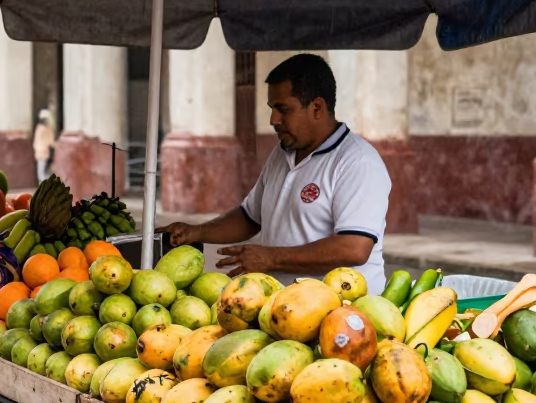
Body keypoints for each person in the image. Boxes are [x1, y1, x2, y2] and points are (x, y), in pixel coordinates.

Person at [161, 53, 392, 294]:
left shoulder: (357, 161)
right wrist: (197, 231)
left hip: (342, 311)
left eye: (283, 109)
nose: (273, 119)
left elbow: (354, 248)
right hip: (284, 308)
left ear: (317, 108)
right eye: (272, 109)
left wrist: (271, 258)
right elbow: (251, 216)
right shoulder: (283, 153)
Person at [33, 109, 56, 181]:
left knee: (41, 170)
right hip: (45, 150)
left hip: (39, 150)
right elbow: (51, 141)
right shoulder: (46, 129)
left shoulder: (38, 128)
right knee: (44, 171)